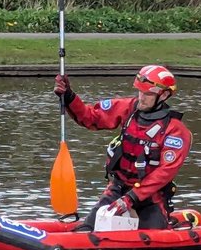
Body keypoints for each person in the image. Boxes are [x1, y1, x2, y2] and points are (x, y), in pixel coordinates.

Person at [53, 64, 193, 231]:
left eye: (148, 94)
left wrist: (132, 198)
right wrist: (69, 97)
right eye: (140, 91)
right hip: (118, 189)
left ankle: (169, 226)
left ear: (164, 95)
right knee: (89, 227)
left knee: (150, 235)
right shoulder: (129, 108)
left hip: (150, 198)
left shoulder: (175, 130)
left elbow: (165, 172)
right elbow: (91, 117)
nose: (141, 97)